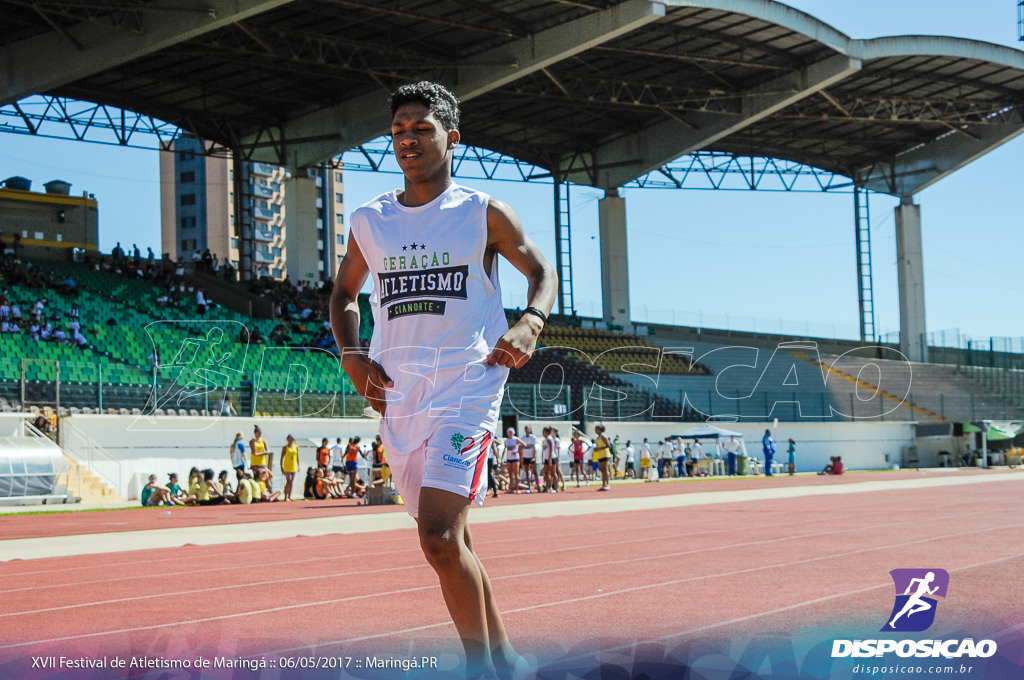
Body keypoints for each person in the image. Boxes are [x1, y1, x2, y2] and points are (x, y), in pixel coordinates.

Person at [329, 81, 555, 678]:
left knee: (436, 538)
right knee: (455, 541)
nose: (408, 139)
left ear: (452, 138)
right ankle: (506, 656)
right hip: (399, 393)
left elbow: (541, 271)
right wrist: (352, 353)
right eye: (399, 131)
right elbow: (344, 293)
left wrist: (531, 321)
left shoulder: (482, 213)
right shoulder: (369, 220)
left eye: (422, 129)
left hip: (469, 387)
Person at [504, 427, 523, 494]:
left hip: (515, 459)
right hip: (509, 459)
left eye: (511, 432)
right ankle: (511, 488)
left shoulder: (516, 439)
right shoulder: (506, 441)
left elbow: (524, 445)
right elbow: (505, 449)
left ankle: (517, 488)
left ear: (513, 433)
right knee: (510, 474)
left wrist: (517, 451)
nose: (510, 434)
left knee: (516, 474)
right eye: (509, 432)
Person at [592, 425, 612, 491]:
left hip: (605, 454)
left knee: (605, 470)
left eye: (597, 429)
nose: (595, 431)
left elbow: (608, 445)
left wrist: (599, 448)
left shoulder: (603, 436)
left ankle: (608, 484)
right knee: (602, 470)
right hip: (600, 455)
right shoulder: (598, 437)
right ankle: (603, 485)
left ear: (600, 430)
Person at [280, 434, 300, 501]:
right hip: (287, 466)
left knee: (291, 481)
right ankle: (286, 496)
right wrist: (281, 466)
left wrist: (298, 465)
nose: (291, 441)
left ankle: (290, 496)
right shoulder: (285, 448)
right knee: (288, 480)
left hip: (293, 466)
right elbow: (282, 457)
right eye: (289, 440)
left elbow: (297, 457)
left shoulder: (296, 447)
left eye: (292, 440)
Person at [520, 425, 539, 493]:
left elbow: (535, 448)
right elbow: (521, 448)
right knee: (527, 472)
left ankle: (538, 485)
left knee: (534, 471)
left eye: (528, 429)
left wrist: (534, 457)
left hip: (531, 457)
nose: (527, 431)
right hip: (525, 457)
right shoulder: (522, 438)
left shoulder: (533, 438)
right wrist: (521, 458)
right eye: (526, 429)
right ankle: (529, 486)